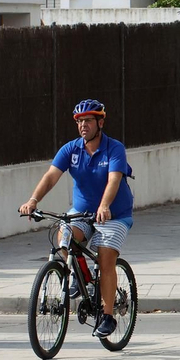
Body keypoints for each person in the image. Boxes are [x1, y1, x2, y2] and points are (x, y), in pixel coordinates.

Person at [19, 99, 134, 339]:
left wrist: (104, 205)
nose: (83, 125)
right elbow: (51, 176)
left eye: (88, 121)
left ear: (100, 123)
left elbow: (114, 180)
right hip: (81, 212)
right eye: (80, 121)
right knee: (64, 236)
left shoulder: (114, 148)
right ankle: (76, 276)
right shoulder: (71, 149)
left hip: (114, 214)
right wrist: (33, 201)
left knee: (105, 257)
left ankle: (108, 315)